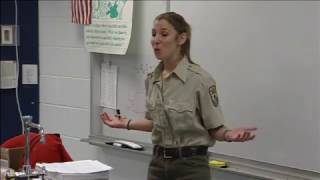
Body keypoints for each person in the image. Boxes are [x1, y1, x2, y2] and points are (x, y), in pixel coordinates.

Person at [100, 11, 257, 180]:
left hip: (190, 166)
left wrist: (229, 135)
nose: (156, 40)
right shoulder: (152, 79)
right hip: (157, 164)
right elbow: (155, 123)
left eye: (164, 34)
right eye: (153, 34)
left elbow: (215, 128)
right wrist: (126, 123)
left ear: (181, 39)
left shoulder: (200, 80)